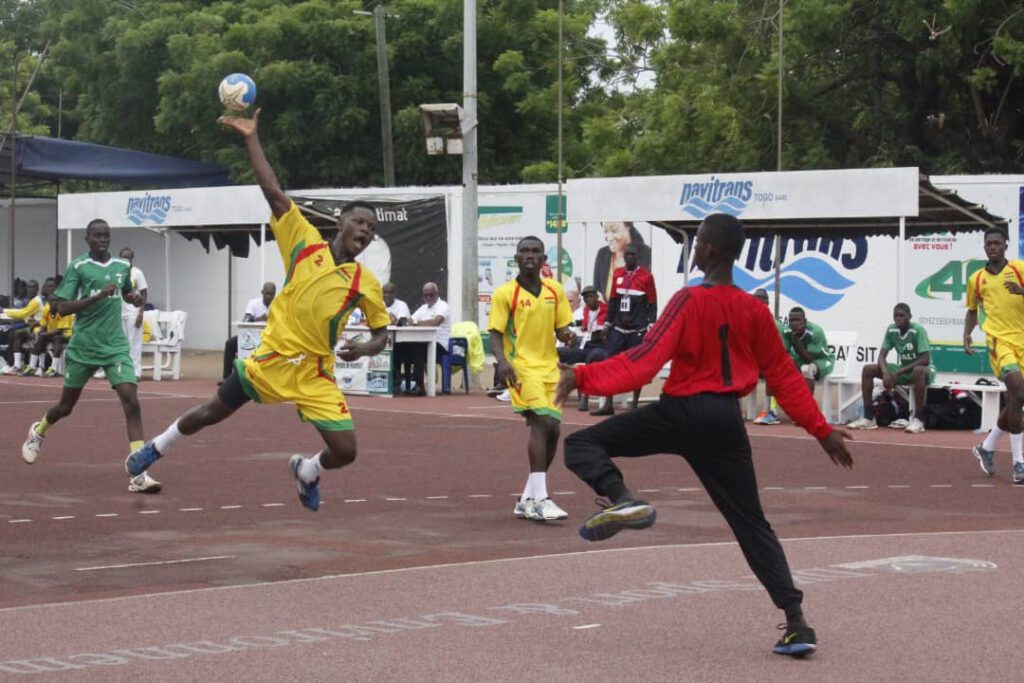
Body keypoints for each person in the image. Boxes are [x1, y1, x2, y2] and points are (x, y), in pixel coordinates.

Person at [555, 213, 854, 658]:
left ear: (711, 250)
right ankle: (797, 622)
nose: (693, 249)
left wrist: (582, 376)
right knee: (751, 523)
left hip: (682, 412)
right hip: (724, 422)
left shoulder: (687, 299)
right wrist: (822, 431)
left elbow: (644, 361)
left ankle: (623, 498)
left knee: (580, 444)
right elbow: (785, 378)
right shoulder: (755, 310)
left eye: (697, 243)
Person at [124, 109, 389, 511]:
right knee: (211, 412)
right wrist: (250, 137)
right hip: (271, 359)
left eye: (371, 229)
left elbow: (381, 333)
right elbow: (274, 191)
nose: (365, 232)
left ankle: (307, 471)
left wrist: (366, 348)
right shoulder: (305, 243)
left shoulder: (364, 282)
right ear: (341, 222)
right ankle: (155, 448)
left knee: (346, 450)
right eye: (359, 222)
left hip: (315, 372)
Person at [19, 220, 160, 493]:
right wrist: (95, 298)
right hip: (84, 347)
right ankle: (39, 431)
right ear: (87, 239)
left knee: (131, 401)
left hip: (114, 346)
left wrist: (131, 299)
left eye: (106, 235)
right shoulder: (79, 267)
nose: (103, 239)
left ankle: (139, 473)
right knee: (65, 408)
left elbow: (125, 291)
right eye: (97, 236)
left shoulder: (122, 266)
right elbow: (60, 307)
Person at [490, 236, 576, 522]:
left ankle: (527, 498)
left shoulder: (554, 290)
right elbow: (495, 333)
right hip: (522, 367)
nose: (530, 255)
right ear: (516, 257)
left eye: (535, 251)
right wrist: (502, 362)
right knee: (543, 423)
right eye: (524, 251)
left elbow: (561, 327)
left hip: (551, 368)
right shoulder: (505, 293)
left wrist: (568, 334)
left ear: (543, 260)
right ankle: (541, 499)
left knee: (554, 431)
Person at [963, 228, 1024, 485]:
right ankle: (1019, 463)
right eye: (989, 243)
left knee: (1015, 401)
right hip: (999, 342)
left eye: (998, 243)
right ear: (985, 247)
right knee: (1018, 394)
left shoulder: (1020, 269)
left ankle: (987, 446)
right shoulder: (977, 279)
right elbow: (972, 310)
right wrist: (967, 334)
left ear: (1006, 245)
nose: (993, 247)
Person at [846, 303, 935, 434]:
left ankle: (919, 420)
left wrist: (897, 372)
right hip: (905, 370)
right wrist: (886, 373)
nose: (898, 318)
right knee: (868, 369)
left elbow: (925, 359)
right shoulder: (891, 330)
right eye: (895, 316)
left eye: (902, 316)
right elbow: (881, 356)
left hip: (925, 370)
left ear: (909, 317)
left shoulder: (918, 330)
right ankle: (868, 417)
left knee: (918, 370)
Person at [590, 244, 657, 416]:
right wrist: (606, 323)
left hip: (637, 330)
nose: (629, 258)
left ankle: (634, 405)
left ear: (638, 257)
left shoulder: (646, 277)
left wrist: (651, 325)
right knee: (611, 364)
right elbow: (613, 301)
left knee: (637, 366)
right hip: (618, 328)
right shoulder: (618, 274)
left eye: (632, 255)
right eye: (627, 255)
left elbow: (652, 303)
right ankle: (608, 404)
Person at [557, 285, 607, 411]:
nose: (589, 300)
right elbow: (583, 323)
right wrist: (570, 325)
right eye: (585, 298)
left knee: (593, 357)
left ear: (597, 297)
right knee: (556, 353)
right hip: (585, 346)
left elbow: (604, 328)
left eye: (591, 297)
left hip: (601, 346)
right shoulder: (586, 311)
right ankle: (548, 389)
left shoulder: (606, 310)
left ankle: (584, 396)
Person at [400, 282, 451, 396]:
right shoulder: (423, 308)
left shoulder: (443, 306)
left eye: (431, 295)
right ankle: (402, 382)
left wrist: (416, 323)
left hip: (440, 344)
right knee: (403, 346)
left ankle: (419, 386)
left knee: (419, 348)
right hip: (424, 342)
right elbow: (410, 320)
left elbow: (435, 322)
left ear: (437, 294)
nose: (428, 297)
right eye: (425, 295)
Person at [222, 282, 276, 380]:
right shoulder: (254, 303)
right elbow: (246, 320)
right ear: (262, 292)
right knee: (230, 343)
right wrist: (260, 319)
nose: (269, 296)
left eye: (272, 294)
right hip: (252, 336)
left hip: (270, 338)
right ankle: (227, 378)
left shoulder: (278, 305)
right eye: (267, 294)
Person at [593, 221, 652, 300]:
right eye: (606, 231)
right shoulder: (602, 255)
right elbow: (597, 292)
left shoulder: (646, 254)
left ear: (628, 226)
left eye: (614, 231)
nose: (609, 238)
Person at [752, 288, 786, 425]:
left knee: (771, 369)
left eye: (762, 299)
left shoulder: (775, 325)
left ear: (767, 303)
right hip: (754, 362)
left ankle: (771, 411)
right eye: (756, 299)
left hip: (774, 361)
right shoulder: (747, 321)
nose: (758, 302)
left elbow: (780, 351)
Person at [782, 307, 834, 396]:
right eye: (791, 320)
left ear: (805, 321)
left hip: (821, 360)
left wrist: (795, 341)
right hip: (801, 359)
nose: (794, 323)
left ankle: (808, 406)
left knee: (806, 369)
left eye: (798, 320)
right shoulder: (787, 330)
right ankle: (774, 407)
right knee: (782, 364)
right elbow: (785, 351)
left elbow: (809, 359)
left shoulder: (815, 331)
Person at [1, 278, 46, 375]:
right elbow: (28, 316)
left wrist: (4, 311)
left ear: (37, 289)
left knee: (16, 334)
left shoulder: (36, 301)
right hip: (35, 328)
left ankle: (33, 366)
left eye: (33, 287)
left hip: (41, 330)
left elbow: (23, 313)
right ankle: (17, 365)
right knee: (16, 334)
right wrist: (30, 321)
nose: (30, 289)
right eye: (29, 287)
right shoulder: (34, 300)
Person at [118, 247, 148, 380]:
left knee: (134, 343)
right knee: (122, 343)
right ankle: (123, 370)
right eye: (123, 257)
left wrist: (141, 312)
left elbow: (144, 293)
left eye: (128, 257)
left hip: (133, 313)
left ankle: (136, 372)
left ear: (132, 258)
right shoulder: (116, 273)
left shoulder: (137, 273)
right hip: (119, 312)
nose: (126, 260)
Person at [37, 295, 74, 378]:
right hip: (53, 334)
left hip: (68, 334)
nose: (54, 303)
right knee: (41, 338)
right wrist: (41, 333)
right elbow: (43, 325)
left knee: (58, 338)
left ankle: (53, 368)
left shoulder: (64, 311)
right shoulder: (46, 310)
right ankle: (38, 367)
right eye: (52, 301)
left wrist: (45, 334)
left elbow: (60, 331)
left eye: (56, 301)